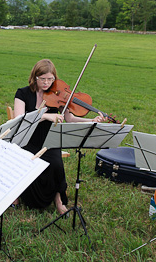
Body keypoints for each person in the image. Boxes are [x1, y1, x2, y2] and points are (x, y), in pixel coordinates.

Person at [14, 59, 105, 214]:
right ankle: (16, 195)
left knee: (56, 164)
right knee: (24, 161)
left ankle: (58, 200)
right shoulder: (22, 93)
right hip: (27, 140)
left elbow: (69, 119)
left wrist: (91, 120)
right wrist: (45, 116)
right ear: (35, 77)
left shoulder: (58, 96)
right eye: (43, 79)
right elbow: (19, 119)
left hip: (49, 140)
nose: (47, 83)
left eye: (50, 79)